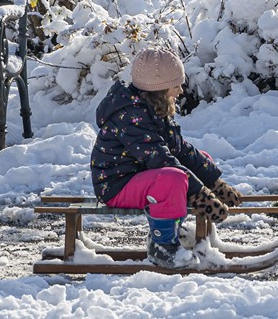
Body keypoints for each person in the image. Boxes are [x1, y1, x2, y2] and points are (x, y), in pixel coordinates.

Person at [91, 47, 242, 269]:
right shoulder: (131, 115)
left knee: (192, 166)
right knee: (173, 178)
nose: (180, 90)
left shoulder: (150, 106)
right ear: (159, 88)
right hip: (116, 185)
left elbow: (179, 149)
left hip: (138, 176)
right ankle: (162, 246)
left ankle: (173, 230)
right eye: (176, 85)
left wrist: (214, 184)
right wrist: (201, 195)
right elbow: (160, 160)